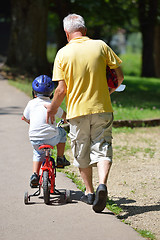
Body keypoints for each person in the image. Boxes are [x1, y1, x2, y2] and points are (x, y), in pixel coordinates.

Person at [45, 14, 124, 212]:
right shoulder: (101, 46)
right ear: (85, 30)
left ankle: (89, 193)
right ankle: (102, 185)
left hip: (77, 112)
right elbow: (119, 77)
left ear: (66, 33)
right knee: (103, 146)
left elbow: (61, 90)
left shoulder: (62, 54)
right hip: (102, 108)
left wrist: (53, 108)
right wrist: (108, 92)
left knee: (82, 152)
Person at [22, 75, 70, 188]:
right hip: (52, 138)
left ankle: (35, 175)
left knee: (37, 153)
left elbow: (25, 117)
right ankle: (60, 158)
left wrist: (32, 122)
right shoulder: (53, 105)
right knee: (62, 133)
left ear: (34, 93)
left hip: (35, 138)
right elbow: (65, 116)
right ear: (51, 94)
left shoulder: (31, 103)